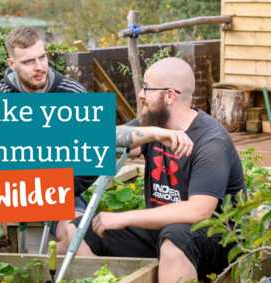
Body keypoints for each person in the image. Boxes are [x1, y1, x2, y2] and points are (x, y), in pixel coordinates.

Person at [67, 57, 246, 282]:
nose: (141, 95)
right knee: (79, 231)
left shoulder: (211, 140)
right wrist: (152, 134)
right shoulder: (155, 126)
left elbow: (199, 212)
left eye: (147, 88)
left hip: (219, 236)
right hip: (166, 228)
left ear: (169, 95)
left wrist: (125, 217)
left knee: (175, 240)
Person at [0, 26, 98, 254]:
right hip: (13, 184)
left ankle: (35, 273)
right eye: (29, 62)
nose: (39, 67)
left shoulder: (72, 95)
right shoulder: (1, 98)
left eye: (42, 57)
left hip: (58, 185)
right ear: (12, 64)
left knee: (77, 235)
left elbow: (92, 161)